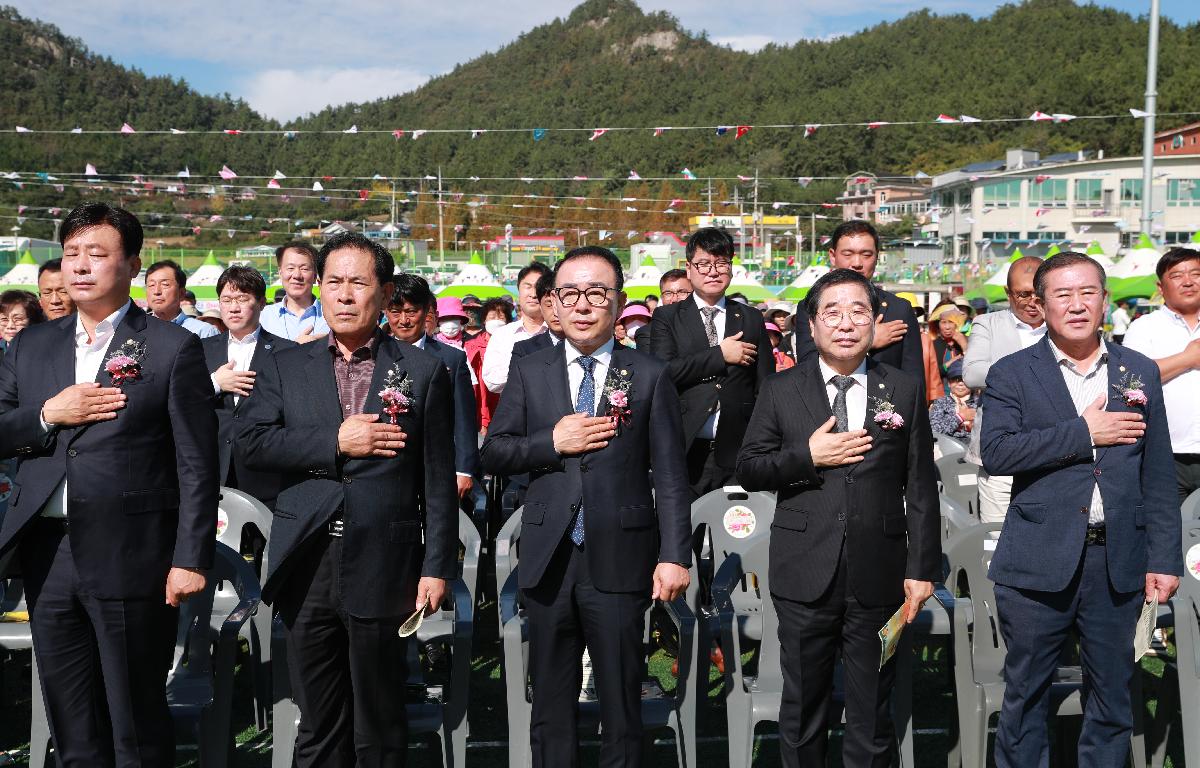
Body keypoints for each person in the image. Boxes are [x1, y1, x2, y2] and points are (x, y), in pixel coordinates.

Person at [0, 202, 218, 766]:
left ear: (133, 265)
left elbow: (196, 462)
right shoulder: (32, 345)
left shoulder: (173, 347)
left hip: (133, 552)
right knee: (72, 722)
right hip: (46, 553)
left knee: (135, 719)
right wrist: (49, 413)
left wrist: (189, 556)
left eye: (96, 254)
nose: (80, 267)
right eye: (71, 254)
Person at [239, 232, 458, 767]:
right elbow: (250, 444)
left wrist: (437, 566)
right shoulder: (285, 364)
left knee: (380, 717)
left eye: (357, 283)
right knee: (317, 717)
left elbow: (437, 476)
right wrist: (335, 443)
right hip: (307, 557)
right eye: (332, 281)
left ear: (382, 294)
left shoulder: (425, 370)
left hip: (386, 557)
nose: (342, 294)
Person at [481, 245, 691, 768]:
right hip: (550, 555)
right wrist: (551, 441)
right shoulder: (530, 370)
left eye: (596, 293)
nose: (582, 305)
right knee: (551, 698)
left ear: (617, 302)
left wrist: (674, 554)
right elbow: (496, 451)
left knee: (621, 697)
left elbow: (669, 474)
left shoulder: (648, 374)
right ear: (553, 301)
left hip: (621, 554)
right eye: (570, 293)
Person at [980, 252, 1181, 768]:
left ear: (1105, 300)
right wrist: (1083, 434)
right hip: (1037, 560)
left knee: (1113, 697)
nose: (1076, 305)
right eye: (1062, 295)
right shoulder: (1013, 373)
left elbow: (1156, 473)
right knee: (1024, 697)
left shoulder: (1137, 371)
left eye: (1087, 293)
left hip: (1117, 561)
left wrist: (1163, 559)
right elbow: (997, 453)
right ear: (1040, 305)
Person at [736, 267, 939, 768]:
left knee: (872, 709)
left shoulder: (904, 388)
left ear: (874, 322)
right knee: (804, 703)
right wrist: (808, 455)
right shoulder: (782, 389)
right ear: (811, 325)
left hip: (880, 569)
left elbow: (920, 483)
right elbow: (751, 467)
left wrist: (921, 569)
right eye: (832, 312)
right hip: (805, 568)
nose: (845, 323)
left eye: (858, 312)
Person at [648, 227, 773, 498]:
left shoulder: (751, 317)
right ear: (689, 268)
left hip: (737, 449)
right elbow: (662, 372)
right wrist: (720, 355)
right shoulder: (667, 317)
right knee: (683, 533)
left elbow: (765, 385)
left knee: (737, 533)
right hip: (685, 445)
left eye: (721, 263)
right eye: (704, 264)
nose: (713, 271)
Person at [202, 265, 296, 511]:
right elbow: (181, 399)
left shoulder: (288, 352)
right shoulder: (199, 349)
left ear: (262, 303)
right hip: (211, 466)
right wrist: (214, 383)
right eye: (227, 299)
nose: (234, 307)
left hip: (265, 473)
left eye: (243, 298)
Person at [961, 255, 1047, 523]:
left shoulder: (1062, 326)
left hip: (1049, 453)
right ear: (1008, 293)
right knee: (996, 538)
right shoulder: (988, 323)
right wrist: (1032, 374)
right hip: (999, 453)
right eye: (1023, 294)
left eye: (1038, 293)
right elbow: (972, 373)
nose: (1032, 301)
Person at [792, 221, 925, 388]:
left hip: (887, 408)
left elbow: (914, 379)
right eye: (848, 254)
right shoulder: (810, 306)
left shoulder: (900, 309)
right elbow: (807, 363)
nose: (857, 263)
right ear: (833, 256)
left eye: (866, 254)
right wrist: (867, 342)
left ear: (877, 256)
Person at [386, 274, 480, 500]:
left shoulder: (452, 359)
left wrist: (464, 469)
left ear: (427, 311)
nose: (404, 320)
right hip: (387, 466)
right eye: (396, 312)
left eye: (411, 312)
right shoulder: (374, 355)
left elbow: (464, 420)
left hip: (437, 466)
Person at [1123, 247, 1200, 505]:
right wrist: (1187, 358)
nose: (1188, 281)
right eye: (1177, 275)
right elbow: (1131, 384)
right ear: (1160, 286)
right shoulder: (1145, 327)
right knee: (1166, 533)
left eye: (1195, 273)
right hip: (1164, 455)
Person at [482, 261, 551, 394]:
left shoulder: (559, 332)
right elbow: (492, 381)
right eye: (528, 286)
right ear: (518, 289)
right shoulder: (502, 335)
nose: (533, 294)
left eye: (539, 287)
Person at [259, 241, 330, 343]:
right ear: (280, 273)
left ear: (315, 276)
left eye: (304, 269)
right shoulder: (263, 317)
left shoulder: (330, 316)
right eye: (290, 268)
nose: (297, 275)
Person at [465, 297, 512, 433]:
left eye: (500, 317)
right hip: (481, 404)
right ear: (484, 320)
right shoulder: (471, 346)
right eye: (492, 317)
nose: (496, 321)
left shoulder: (515, 344)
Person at [144, 259, 219, 339]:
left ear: (182, 293)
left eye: (165, 284)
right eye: (151, 285)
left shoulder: (203, 332)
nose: (156, 291)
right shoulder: (135, 329)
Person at [511, 272, 563, 362]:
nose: (556, 312)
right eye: (549, 304)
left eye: (561, 304)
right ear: (540, 306)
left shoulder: (588, 346)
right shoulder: (523, 350)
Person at [928, 359, 977, 440]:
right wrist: (960, 417)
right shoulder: (941, 402)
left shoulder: (979, 403)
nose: (960, 383)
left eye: (964, 380)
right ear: (949, 383)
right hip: (948, 446)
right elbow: (934, 430)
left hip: (974, 446)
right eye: (956, 379)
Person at [929, 302, 968, 392]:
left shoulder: (966, 340)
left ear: (957, 324)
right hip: (940, 394)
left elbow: (975, 368)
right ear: (938, 325)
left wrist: (964, 347)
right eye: (943, 322)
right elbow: (930, 373)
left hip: (965, 395)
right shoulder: (933, 345)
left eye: (951, 322)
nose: (947, 327)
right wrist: (948, 364)